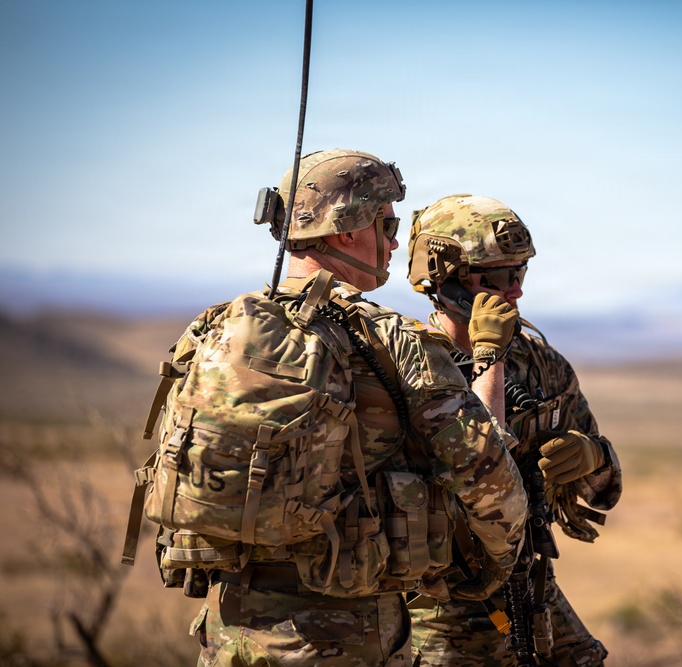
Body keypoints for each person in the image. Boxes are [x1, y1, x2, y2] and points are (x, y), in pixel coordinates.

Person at [170, 153, 528, 666]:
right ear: (344, 231)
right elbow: (490, 478)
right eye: (387, 223)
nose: (395, 242)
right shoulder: (393, 340)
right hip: (348, 636)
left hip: (228, 630)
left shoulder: (212, 330)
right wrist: (488, 571)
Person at [406, 194, 623, 666]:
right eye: (498, 277)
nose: (516, 291)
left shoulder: (542, 364)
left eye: (520, 272)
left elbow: (603, 495)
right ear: (446, 279)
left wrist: (594, 459)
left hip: (530, 588)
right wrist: (490, 359)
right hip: (439, 605)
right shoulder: (403, 364)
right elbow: (477, 468)